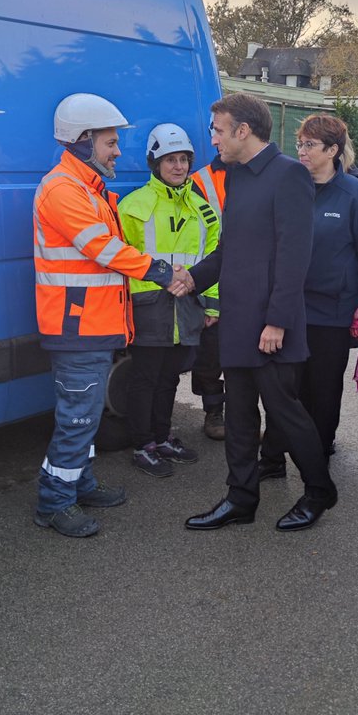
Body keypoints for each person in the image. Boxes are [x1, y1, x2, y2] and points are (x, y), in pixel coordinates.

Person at [171, 91, 337, 532]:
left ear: (244, 131)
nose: (214, 140)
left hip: (271, 325)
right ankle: (241, 499)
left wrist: (277, 320)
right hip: (237, 320)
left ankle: (319, 491)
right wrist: (194, 277)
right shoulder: (238, 176)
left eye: (218, 130)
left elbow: (295, 254)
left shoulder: (289, 176)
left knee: (285, 413)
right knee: (240, 414)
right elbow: (231, 248)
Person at [33, 94, 179, 538]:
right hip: (76, 327)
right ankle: (54, 503)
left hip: (93, 325)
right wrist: (161, 270)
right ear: (82, 142)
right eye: (110, 142)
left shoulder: (89, 189)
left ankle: (80, 484)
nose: (117, 151)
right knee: (77, 417)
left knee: (88, 414)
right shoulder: (63, 190)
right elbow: (105, 250)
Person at [259, 114, 358, 475]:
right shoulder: (289, 189)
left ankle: (316, 461)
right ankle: (271, 459)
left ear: (332, 150)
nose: (301, 151)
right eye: (299, 143)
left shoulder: (356, 195)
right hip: (288, 309)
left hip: (332, 312)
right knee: (282, 389)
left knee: (323, 391)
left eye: (309, 145)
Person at [118, 124, 220, 476]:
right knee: (145, 377)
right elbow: (122, 259)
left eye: (183, 160)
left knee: (169, 378)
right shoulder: (132, 206)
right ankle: (142, 444)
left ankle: (162, 437)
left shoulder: (202, 208)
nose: (178, 166)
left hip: (188, 306)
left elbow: (214, 258)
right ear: (155, 163)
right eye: (170, 160)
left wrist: (211, 305)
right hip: (148, 307)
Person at [190, 152, 227, 440]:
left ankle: (244, 414)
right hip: (212, 277)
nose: (217, 139)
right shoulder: (200, 181)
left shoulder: (262, 173)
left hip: (251, 279)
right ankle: (214, 411)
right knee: (209, 355)